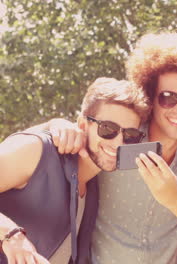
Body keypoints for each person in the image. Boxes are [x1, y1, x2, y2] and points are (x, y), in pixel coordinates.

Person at [46, 32, 177, 263]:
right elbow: (77, 131)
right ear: (151, 98)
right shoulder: (117, 139)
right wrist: (55, 123)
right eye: (168, 98)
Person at [0, 77, 149, 264]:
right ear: (82, 125)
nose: (118, 142)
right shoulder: (38, 150)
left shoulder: (93, 187)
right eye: (108, 128)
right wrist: (10, 233)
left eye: (130, 135)